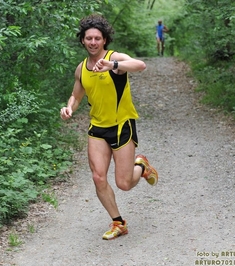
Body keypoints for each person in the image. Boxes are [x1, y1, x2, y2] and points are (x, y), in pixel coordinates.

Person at [60, 14, 158, 240]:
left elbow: (140, 65)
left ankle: (141, 167)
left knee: (123, 183)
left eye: (97, 38)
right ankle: (118, 222)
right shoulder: (81, 68)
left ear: (104, 40)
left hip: (121, 125)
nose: (93, 42)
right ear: (83, 41)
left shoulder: (115, 59)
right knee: (98, 177)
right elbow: (75, 95)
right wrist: (69, 108)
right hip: (97, 129)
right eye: (88, 38)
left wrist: (112, 65)